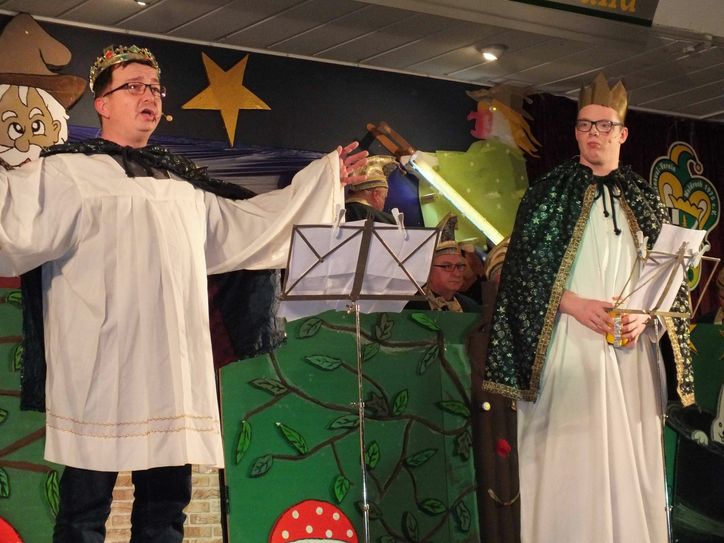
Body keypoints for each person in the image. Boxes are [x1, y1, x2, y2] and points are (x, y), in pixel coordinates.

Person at [0, 44, 367, 542]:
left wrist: (322, 181)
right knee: (85, 510)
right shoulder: (64, 173)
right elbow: (14, 225)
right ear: (102, 103)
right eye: (133, 86)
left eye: (155, 88)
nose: (148, 95)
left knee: (166, 511)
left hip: (171, 367)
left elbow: (248, 227)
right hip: (100, 365)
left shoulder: (181, 183)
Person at [483, 73, 694, 543]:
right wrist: (571, 303)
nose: (593, 134)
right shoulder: (547, 194)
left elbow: (669, 281)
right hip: (566, 343)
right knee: (570, 458)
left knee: (631, 459)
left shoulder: (644, 198)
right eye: (584, 125)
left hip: (631, 352)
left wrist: (647, 315)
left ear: (623, 133)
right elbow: (518, 274)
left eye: (603, 125)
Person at [406, 215, 480, 313]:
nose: (457, 274)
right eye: (447, 266)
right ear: (428, 269)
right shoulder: (408, 305)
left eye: (459, 266)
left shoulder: (471, 308)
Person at [344, 154, 397, 224]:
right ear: (376, 194)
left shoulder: (335, 209)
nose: (384, 205)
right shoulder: (386, 222)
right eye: (384, 198)